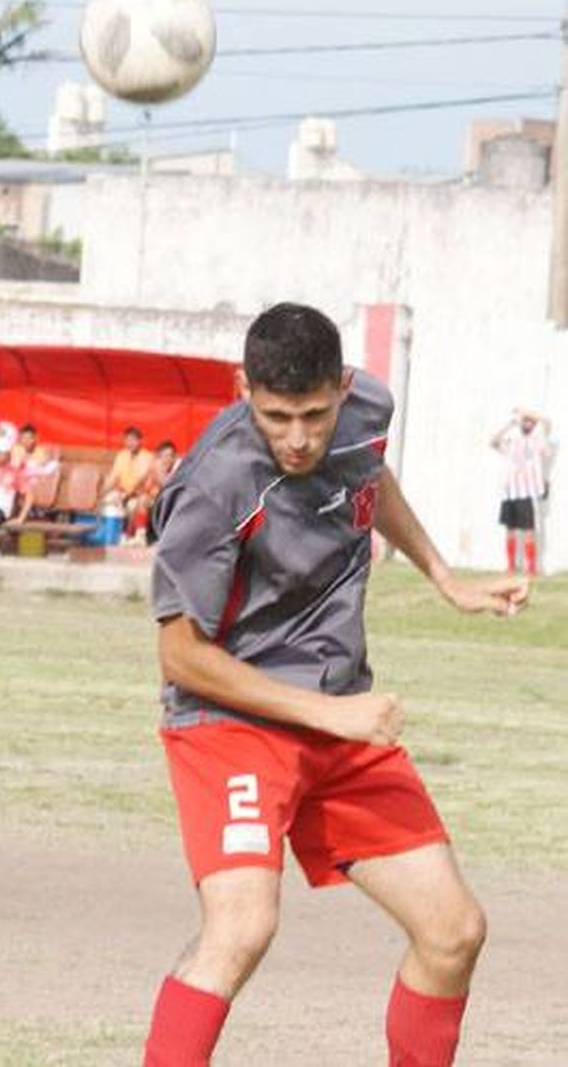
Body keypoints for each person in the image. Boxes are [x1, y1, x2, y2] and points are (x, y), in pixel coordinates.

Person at [141, 303, 527, 1067]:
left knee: (453, 930)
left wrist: (444, 578)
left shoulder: (366, 410)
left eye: (314, 415)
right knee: (242, 927)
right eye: (276, 415)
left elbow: (366, 471)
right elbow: (180, 657)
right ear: (241, 387)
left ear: (343, 389)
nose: (298, 437)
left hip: (339, 720)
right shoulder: (215, 484)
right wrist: (330, 713)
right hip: (230, 722)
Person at [490, 408, 552, 577]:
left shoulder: (538, 440)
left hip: (528, 491)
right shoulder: (511, 439)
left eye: (530, 422)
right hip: (510, 490)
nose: (527, 423)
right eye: (525, 421)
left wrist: (529, 413)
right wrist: (510, 424)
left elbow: (547, 423)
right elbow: (493, 442)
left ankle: (531, 567)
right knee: (509, 528)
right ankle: (510, 565)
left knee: (529, 528)